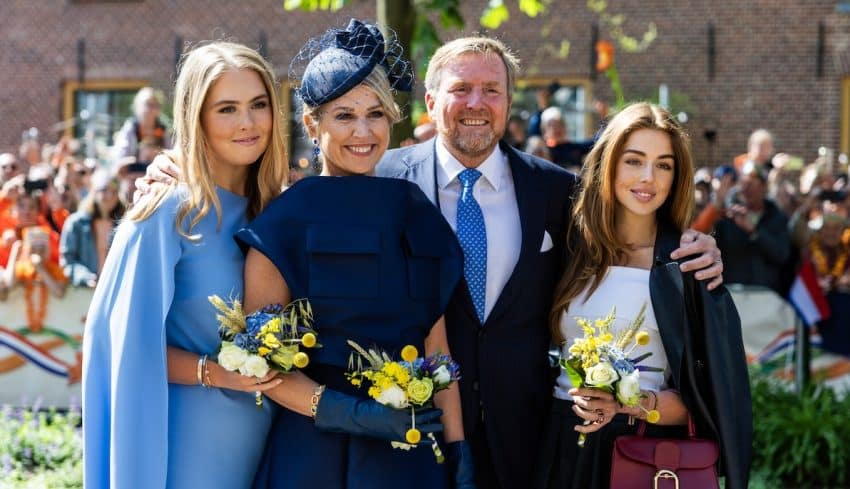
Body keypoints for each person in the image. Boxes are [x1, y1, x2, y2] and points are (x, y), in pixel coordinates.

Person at [376, 38, 724, 489]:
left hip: (533, 440)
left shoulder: (558, 193)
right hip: (411, 431)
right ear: (431, 101)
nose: (476, 103)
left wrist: (701, 247)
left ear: (508, 100)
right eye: (461, 89)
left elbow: (624, 237)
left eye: (492, 90)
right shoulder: (382, 180)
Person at [232, 20, 472, 489]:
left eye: (376, 113)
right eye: (344, 115)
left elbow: (437, 349)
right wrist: (355, 414)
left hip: (411, 454)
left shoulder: (414, 211)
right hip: (312, 453)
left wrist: (458, 453)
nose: (363, 131)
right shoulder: (283, 222)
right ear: (311, 123)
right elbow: (261, 365)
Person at [82, 41, 288, 488]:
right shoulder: (166, 212)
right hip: (186, 439)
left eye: (258, 105)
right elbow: (120, 345)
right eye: (227, 109)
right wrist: (216, 373)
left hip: (276, 441)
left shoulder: (279, 211)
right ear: (197, 118)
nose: (248, 123)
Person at [535, 103, 751, 489]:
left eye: (664, 165)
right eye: (634, 161)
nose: (648, 177)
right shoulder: (571, 248)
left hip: (644, 454)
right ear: (609, 164)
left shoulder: (687, 265)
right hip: (562, 444)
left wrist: (626, 403)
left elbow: (713, 399)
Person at [59, 170, 126, 287]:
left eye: (114, 191)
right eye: (104, 190)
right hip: (87, 294)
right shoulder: (76, 223)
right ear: (93, 191)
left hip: (116, 289)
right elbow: (67, 261)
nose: (109, 195)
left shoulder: (124, 225)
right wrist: (84, 277)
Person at [113, 86, 171, 160]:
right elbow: (120, 157)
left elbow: (171, 154)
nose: (151, 109)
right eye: (148, 104)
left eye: (155, 105)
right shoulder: (132, 128)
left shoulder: (162, 129)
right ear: (137, 107)